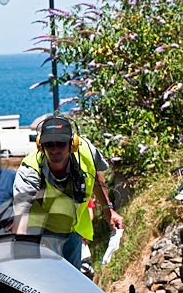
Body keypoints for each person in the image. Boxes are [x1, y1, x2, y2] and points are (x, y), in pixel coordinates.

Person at [12, 115, 124, 269]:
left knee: (72, 279)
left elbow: (96, 176)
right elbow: (21, 215)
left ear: (73, 144)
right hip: (43, 233)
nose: (55, 150)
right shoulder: (30, 171)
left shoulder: (87, 151)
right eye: (49, 145)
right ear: (40, 146)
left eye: (60, 144)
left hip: (73, 230)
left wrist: (108, 211)